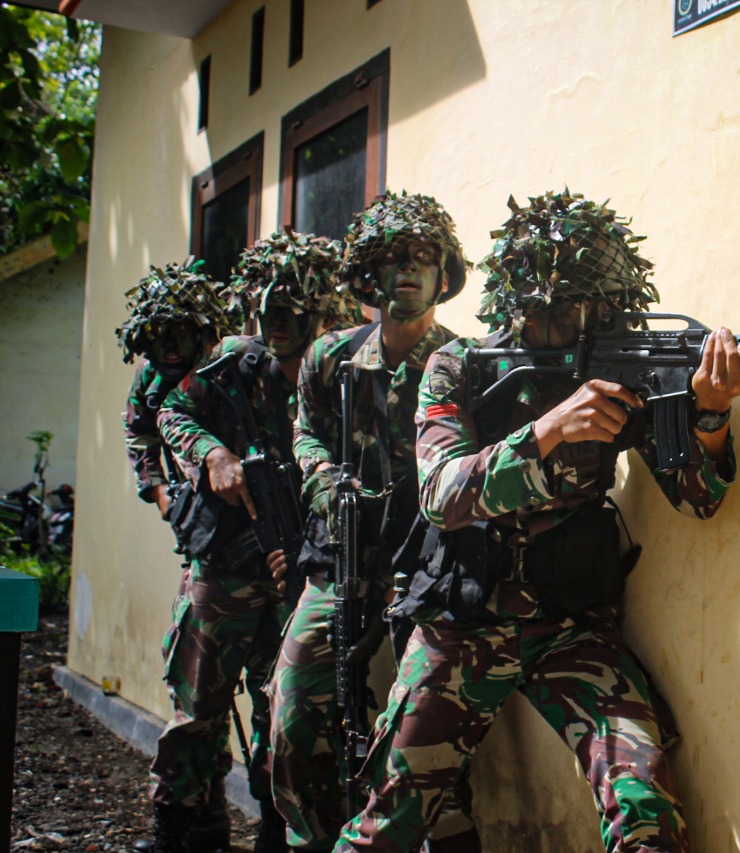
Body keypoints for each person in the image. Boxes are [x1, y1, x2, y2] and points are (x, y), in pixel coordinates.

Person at [332, 190, 740, 853]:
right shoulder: (458, 368)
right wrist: (547, 432)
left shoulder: (619, 370)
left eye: (577, 307)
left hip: (570, 626)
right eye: (544, 309)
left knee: (643, 797)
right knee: (389, 821)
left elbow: (698, 498)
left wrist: (708, 412)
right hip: (461, 625)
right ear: (512, 303)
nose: (560, 322)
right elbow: (442, 494)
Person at [266, 192, 482, 853]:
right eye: (394, 260)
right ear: (370, 276)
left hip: (430, 570)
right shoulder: (330, 359)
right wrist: (325, 476)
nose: (410, 272)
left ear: (443, 275)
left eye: (424, 258)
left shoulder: (468, 364)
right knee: (294, 715)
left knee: (427, 740)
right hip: (343, 560)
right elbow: (304, 434)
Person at [153, 231, 361, 853]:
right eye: (267, 314)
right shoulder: (236, 363)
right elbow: (171, 412)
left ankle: (279, 825)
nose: (276, 326)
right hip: (227, 562)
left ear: (321, 313)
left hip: (305, 570)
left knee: (289, 712)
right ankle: (183, 826)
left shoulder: (343, 374)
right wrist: (212, 455)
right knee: (198, 709)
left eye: (291, 314)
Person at [117, 259, 242, 853]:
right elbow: (140, 431)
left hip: (257, 542)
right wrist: (161, 491)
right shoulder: (152, 380)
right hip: (201, 546)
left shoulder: (229, 368)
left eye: (180, 334)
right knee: (194, 692)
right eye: (158, 335)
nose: (169, 346)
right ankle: (192, 821)